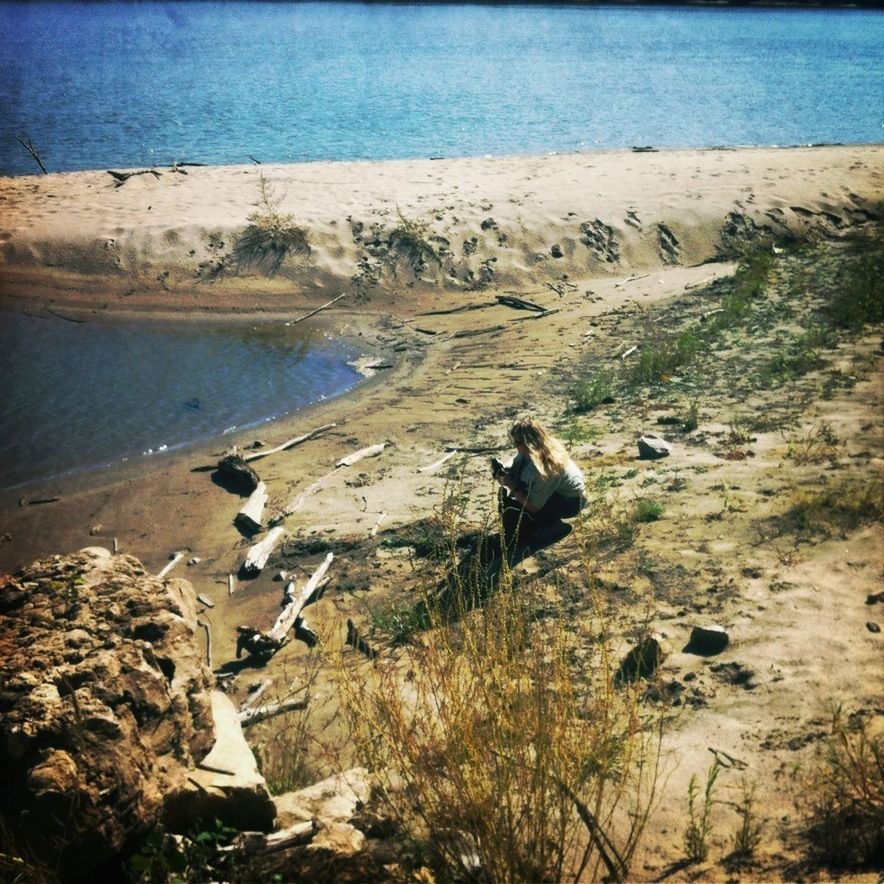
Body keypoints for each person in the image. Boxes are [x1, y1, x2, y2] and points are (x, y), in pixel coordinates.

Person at [494, 417, 586, 554]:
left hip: (569, 502)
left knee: (529, 516)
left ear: (529, 443)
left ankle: (553, 527)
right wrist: (505, 468)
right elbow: (518, 458)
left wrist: (511, 485)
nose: (515, 446)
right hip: (555, 492)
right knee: (519, 504)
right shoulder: (538, 448)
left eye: (517, 443)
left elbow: (534, 507)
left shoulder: (547, 467)